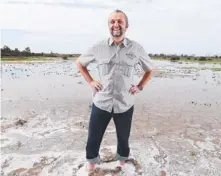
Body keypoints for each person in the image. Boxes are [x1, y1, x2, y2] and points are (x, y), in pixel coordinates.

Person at [76, 9, 154, 172]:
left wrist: (139, 86)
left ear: (126, 25)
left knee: (123, 138)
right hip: (101, 102)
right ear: (108, 25)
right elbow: (80, 63)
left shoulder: (136, 48)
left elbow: (150, 69)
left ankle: (122, 164)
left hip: (125, 103)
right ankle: (91, 164)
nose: (116, 25)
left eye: (120, 21)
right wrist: (90, 81)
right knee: (93, 137)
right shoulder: (98, 47)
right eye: (112, 22)